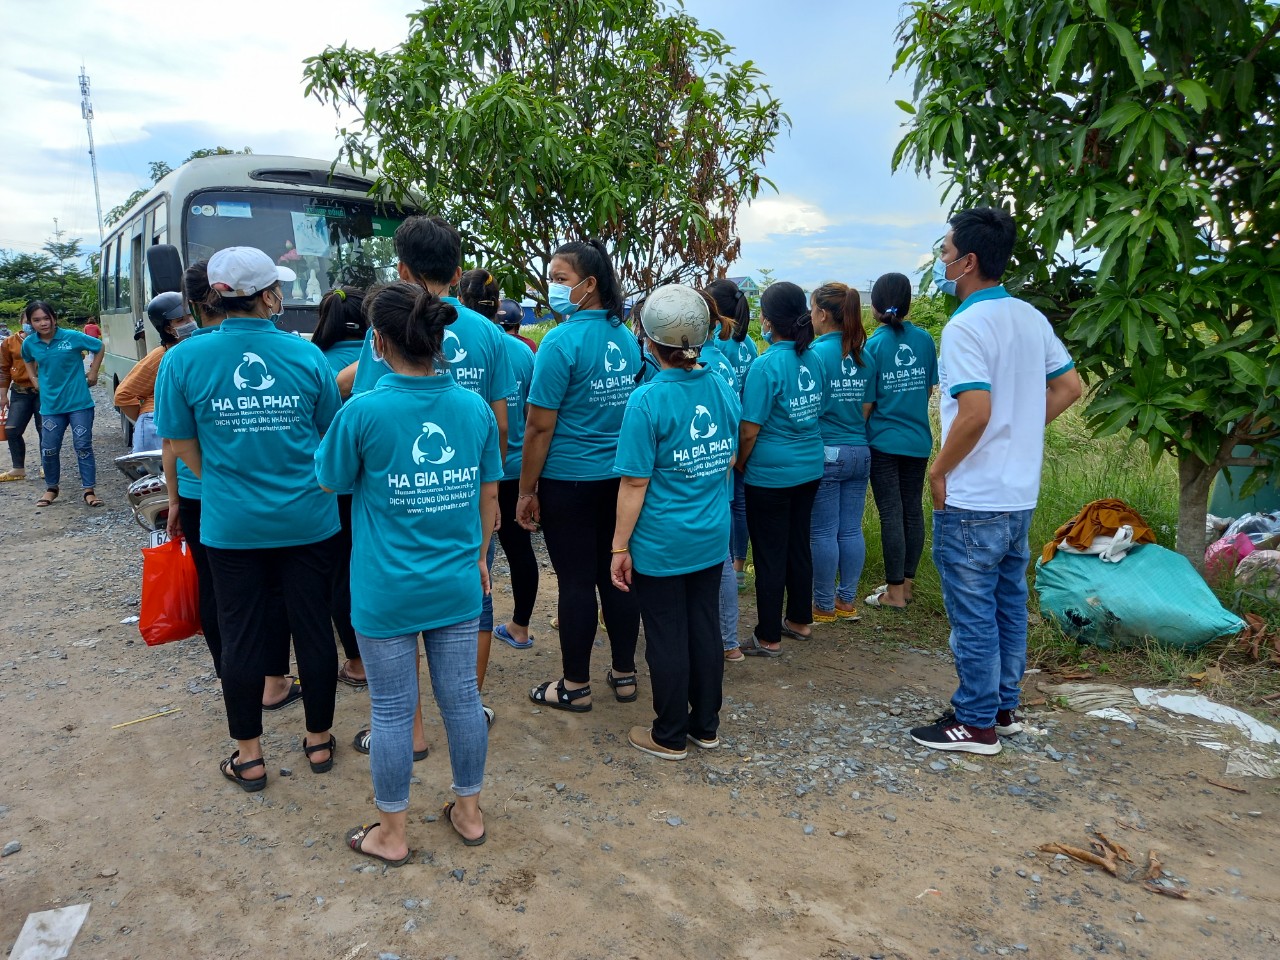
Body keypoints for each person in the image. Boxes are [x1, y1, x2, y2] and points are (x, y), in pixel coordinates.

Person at [316, 282, 498, 861]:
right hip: (455, 582)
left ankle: (391, 835)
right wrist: (478, 557)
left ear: (377, 342)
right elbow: (487, 497)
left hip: (385, 589)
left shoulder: (363, 411)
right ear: (439, 339)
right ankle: (468, 814)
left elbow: (331, 479)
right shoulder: (472, 407)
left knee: (392, 711)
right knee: (463, 701)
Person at [155, 246, 340, 791]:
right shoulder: (306, 356)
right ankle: (319, 742)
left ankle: (250, 756)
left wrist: (217, 479)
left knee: (239, 637)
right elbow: (327, 433)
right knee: (312, 627)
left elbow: (180, 439)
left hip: (231, 524)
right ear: (268, 295)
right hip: (309, 518)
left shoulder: (182, 359)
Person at [910, 207, 1082, 755]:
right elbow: (1069, 387)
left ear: (969, 261)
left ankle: (976, 722)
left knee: (973, 611)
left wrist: (939, 469)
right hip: (1017, 494)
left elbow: (976, 411)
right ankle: (1002, 707)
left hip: (974, 495)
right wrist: (1022, 431)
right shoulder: (1030, 317)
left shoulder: (966, 325)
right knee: (1008, 603)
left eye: (945, 253)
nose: (941, 262)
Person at [342, 218, 513, 747]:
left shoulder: (387, 335)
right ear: (459, 273)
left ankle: (410, 730)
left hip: (398, 500)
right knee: (472, 589)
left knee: (401, 610)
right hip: (469, 492)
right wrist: (489, 487)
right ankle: (468, 703)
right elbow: (502, 422)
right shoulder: (489, 333)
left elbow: (368, 413)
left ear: (402, 270)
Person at [158, 260, 300, 711]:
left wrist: (179, 494)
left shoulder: (177, 357)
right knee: (275, 592)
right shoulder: (286, 348)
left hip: (209, 499)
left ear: (197, 303)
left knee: (222, 598)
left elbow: (174, 441)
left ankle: (233, 682)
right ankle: (274, 681)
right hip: (268, 497)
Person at [611, 285, 740, 759]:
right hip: (711, 534)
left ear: (648, 340)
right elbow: (728, 458)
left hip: (663, 541)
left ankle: (668, 735)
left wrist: (619, 547)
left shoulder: (646, 402)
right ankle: (705, 725)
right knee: (704, 628)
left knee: (666, 634)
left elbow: (634, 485)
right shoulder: (722, 387)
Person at [517, 239, 642, 712]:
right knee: (618, 574)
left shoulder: (560, 341)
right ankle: (625, 674)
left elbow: (539, 426)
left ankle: (574, 685)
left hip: (568, 481)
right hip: (617, 480)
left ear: (589, 285)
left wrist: (527, 491)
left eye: (561, 279)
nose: (552, 287)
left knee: (575, 582)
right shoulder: (625, 336)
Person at [736, 282, 823, 656]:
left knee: (770, 553)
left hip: (770, 475)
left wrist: (738, 463)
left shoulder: (766, 363)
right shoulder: (814, 358)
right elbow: (819, 408)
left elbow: (749, 428)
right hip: (809, 467)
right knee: (798, 543)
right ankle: (800, 620)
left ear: (768, 320)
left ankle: (768, 635)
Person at [863, 273, 938, 610]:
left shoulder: (873, 346)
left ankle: (893, 594)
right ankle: (905, 586)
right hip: (918, 440)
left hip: (883, 442)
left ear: (875, 307)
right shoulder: (925, 341)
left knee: (891, 514)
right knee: (912, 511)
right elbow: (927, 389)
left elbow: (867, 403)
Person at [311, 286, 370, 688]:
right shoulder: (382, 357)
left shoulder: (313, 361)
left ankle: (356, 661)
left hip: (332, 490)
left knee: (339, 574)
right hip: (379, 488)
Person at [808, 283, 872, 622]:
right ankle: (846, 600)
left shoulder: (815, 355)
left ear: (821, 313)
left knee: (822, 532)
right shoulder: (864, 354)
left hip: (828, 452)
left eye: (812, 309)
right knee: (850, 529)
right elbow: (866, 407)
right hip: (861, 451)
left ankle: (822, 604)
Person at [489, 298, 539, 651]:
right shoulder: (524, 353)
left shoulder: (468, 344)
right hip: (515, 467)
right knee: (519, 548)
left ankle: (459, 633)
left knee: (474, 552)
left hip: (474, 469)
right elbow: (532, 413)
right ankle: (519, 626)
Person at [21, 300, 104, 508]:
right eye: (37, 320)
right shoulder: (30, 343)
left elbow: (99, 346)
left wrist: (93, 372)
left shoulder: (72, 337)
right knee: (48, 449)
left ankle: (89, 490)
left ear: (54, 318)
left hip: (79, 403)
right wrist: (34, 380)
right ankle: (51, 488)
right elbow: (27, 359)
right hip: (51, 406)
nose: (43, 323)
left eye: (46, 318)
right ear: (31, 323)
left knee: (83, 446)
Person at [706, 278, 757, 592]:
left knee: (724, 503)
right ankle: (738, 566)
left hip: (723, 433)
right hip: (743, 429)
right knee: (739, 503)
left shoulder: (719, 344)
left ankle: (723, 563)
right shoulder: (746, 341)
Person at [115, 293, 197, 453]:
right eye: (181, 320)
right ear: (168, 328)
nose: (190, 323)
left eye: (191, 316)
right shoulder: (161, 355)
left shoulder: (194, 348)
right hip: (156, 425)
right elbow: (123, 395)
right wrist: (149, 415)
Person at [0, 306, 42, 481]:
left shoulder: (47, 340)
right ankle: (18, 468)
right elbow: (3, 370)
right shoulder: (9, 342)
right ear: (22, 322)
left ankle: (46, 466)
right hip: (19, 391)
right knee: (12, 429)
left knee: (45, 429)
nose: (32, 326)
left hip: (43, 392)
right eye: (29, 322)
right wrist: (3, 396)